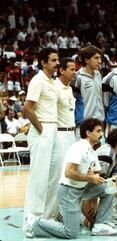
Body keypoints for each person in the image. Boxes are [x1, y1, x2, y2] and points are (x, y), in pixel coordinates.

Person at [23, 118, 117, 238]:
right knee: (71, 233)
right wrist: (90, 178)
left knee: (110, 187)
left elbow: (98, 174)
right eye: (98, 131)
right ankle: (34, 221)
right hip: (69, 190)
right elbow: (69, 172)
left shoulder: (92, 152)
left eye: (101, 131)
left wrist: (108, 179)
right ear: (88, 133)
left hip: (82, 188)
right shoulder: (79, 147)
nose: (101, 134)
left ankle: (101, 224)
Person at [22, 47, 60, 224]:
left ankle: (46, 217)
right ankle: (32, 219)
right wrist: (42, 129)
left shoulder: (52, 81)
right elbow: (27, 108)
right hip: (42, 129)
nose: (57, 63)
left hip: (53, 129)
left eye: (57, 60)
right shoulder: (38, 80)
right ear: (43, 62)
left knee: (53, 176)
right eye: (53, 60)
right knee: (39, 177)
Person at [81, 128, 117, 226]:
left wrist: (114, 180)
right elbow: (95, 178)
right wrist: (94, 203)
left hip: (97, 183)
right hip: (84, 186)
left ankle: (106, 215)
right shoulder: (107, 153)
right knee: (91, 221)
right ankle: (66, 215)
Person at [72, 45, 104, 135]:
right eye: (96, 58)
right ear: (86, 60)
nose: (100, 61)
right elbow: (72, 103)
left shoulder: (98, 75)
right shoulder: (77, 77)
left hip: (99, 122)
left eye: (100, 58)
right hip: (84, 125)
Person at [55, 57, 77, 174]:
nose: (75, 72)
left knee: (70, 170)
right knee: (59, 170)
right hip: (59, 133)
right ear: (62, 70)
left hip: (70, 133)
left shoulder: (69, 89)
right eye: (72, 69)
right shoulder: (54, 87)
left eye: (75, 69)